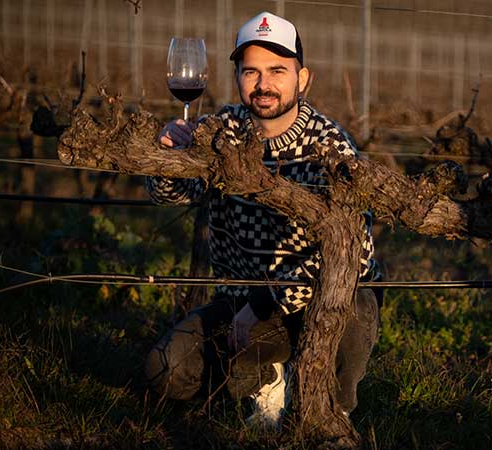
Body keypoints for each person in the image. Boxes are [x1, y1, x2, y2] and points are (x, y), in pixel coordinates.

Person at [144, 11, 381, 427]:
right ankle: (262, 375)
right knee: (166, 371)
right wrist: (168, 157)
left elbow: (356, 252)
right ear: (236, 76)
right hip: (239, 308)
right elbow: (172, 194)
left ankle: (332, 407)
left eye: (277, 71)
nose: (263, 84)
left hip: (320, 302)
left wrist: (266, 300)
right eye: (250, 71)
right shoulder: (224, 132)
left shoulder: (329, 145)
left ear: (303, 78)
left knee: (357, 305)